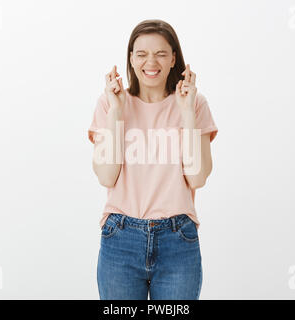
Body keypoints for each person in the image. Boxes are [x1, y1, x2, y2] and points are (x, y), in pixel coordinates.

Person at [88, 19, 218, 300]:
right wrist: (116, 114)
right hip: (121, 237)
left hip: (177, 238)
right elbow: (106, 177)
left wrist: (186, 114)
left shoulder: (195, 103)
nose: (151, 62)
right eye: (142, 54)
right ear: (131, 59)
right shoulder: (109, 103)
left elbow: (197, 177)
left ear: (174, 59)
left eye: (161, 53)